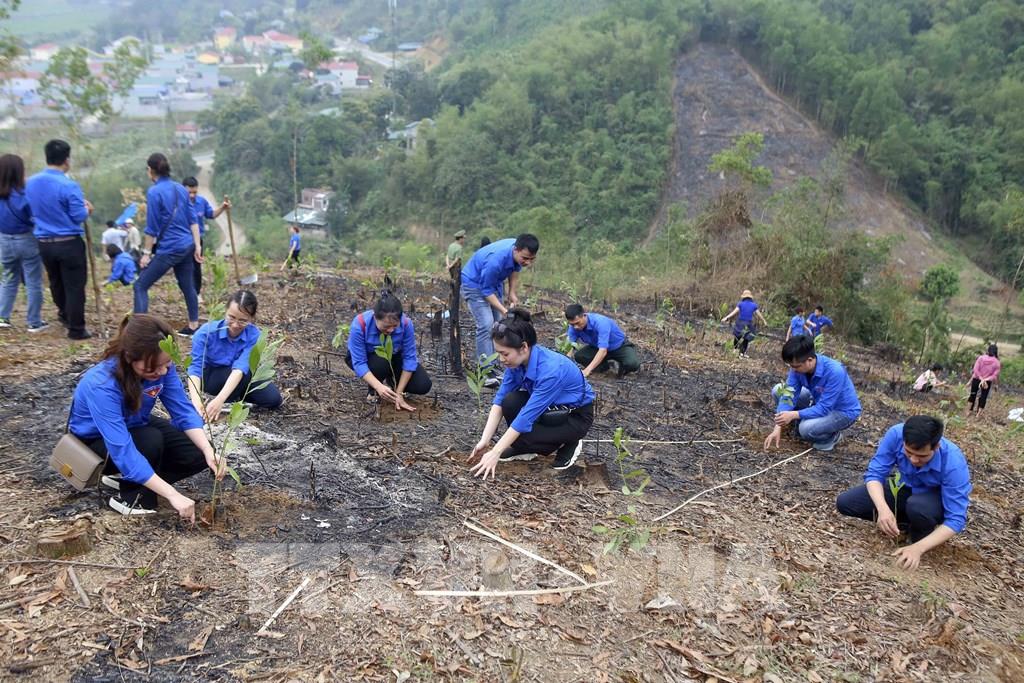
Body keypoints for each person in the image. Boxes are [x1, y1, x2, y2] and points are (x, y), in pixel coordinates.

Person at [68, 313, 222, 520]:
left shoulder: (162, 367)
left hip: (135, 423)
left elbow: (182, 411)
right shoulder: (102, 385)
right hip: (96, 443)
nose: (161, 371)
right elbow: (121, 448)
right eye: (153, 367)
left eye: (166, 364)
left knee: (196, 452)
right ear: (130, 357)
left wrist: (208, 449)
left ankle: (131, 480)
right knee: (150, 440)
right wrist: (172, 494)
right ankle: (131, 498)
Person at [469, 309, 595, 477]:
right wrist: (485, 441)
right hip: (549, 410)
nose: (501, 359)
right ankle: (526, 447)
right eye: (498, 353)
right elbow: (499, 401)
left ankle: (570, 442)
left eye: (504, 354)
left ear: (524, 347)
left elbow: (526, 417)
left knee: (525, 433)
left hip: (574, 417)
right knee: (510, 402)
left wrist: (496, 452)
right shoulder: (517, 363)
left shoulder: (551, 371)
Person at [836, 415, 971, 570]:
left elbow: (955, 519)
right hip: (905, 487)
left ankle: (920, 534)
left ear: (936, 447)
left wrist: (917, 549)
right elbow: (875, 474)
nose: (913, 460)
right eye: (908, 452)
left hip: (932, 501)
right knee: (846, 503)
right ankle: (903, 522)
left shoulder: (953, 464)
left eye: (922, 456)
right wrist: (883, 510)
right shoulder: (896, 434)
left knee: (918, 507)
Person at [26, 139, 93, 339]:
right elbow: (77, 216)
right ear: (66, 160)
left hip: (44, 243)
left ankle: (64, 314)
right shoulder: (68, 184)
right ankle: (76, 329)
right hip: (68, 242)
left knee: (56, 282)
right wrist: (87, 209)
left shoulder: (31, 183)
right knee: (74, 285)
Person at [187, 290, 283, 421]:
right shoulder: (206, 332)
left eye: (243, 321)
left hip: (240, 375)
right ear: (225, 312)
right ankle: (231, 397)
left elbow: (240, 368)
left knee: (272, 399)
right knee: (239, 376)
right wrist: (196, 401)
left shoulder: (254, 335)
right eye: (231, 317)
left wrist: (219, 400)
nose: (235, 325)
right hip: (213, 377)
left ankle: (233, 398)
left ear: (251, 319)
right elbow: (195, 369)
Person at [133, 152, 201, 337]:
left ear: (151, 170)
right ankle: (193, 326)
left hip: (170, 249)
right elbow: (192, 218)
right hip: (187, 245)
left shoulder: (154, 192)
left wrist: (146, 254)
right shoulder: (180, 188)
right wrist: (197, 245)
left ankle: (139, 329)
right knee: (187, 285)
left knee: (140, 285)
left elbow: (152, 228)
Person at [461, 233, 539, 386]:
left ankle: (493, 364)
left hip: (493, 283)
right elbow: (485, 291)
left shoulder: (517, 253)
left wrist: (512, 292)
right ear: (516, 250)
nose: (528, 263)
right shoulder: (495, 261)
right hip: (474, 284)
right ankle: (483, 370)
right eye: (525, 258)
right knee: (486, 324)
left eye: (531, 259)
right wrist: (504, 310)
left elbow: (515, 269)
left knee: (498, 326)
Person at [765, 334, 861, 451]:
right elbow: (789, 394)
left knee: (805, 429)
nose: (793, 370)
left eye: (796, 366)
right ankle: (798, 426)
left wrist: (793, 414)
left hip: (842, 412)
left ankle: (831, 437)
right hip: (818, 399)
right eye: (791, 366)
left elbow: (824, 408)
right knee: (778, 390)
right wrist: (778, 426)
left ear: (810, 360)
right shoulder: (797, 367)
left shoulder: (835, 371)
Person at [345, 290, 432, 411]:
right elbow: (359, 363)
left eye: (395, 326)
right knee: (381, 363)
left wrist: (399, 393)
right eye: (386, 326)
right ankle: (373, 392)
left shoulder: (406, 324)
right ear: (375, 317)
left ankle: (393, 384)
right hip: (370, 359)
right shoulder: (360, 325)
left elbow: (409, 358)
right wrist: (379, 387)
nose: (391, 330)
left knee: (423, 385)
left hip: (394, 357)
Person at [0, 153, 48, 332]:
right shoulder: (24, 195)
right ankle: (34, 322)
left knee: (9, 278)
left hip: (4, 240)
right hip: (26, 240)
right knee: (33, 280)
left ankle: (3, 317)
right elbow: (35, 217)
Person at [182, 177, 229, 298]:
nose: (192, 195)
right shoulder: (178, 204)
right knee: (184, 268)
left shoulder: (201, 202)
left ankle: (196, 293)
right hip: (181, 241)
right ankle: (187, 292)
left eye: (194, 192)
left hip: (197, 241)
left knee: (196, 267)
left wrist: (222, 207)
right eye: (189, 192)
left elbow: (212, 214)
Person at [564, 303, 640, 378]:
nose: (576, 327)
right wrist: (565, 365)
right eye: (572, 324)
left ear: (584, 315)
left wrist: (587, 370)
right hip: (597, 347)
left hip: (618, 347)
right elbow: (570, 346)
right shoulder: (573, 327)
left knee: (632, 364)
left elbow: (603, 350)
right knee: (579, 356)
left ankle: (621, 366)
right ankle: (606, 367)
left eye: (577, 323)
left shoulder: (600, 322)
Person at [721, 289, 767, 357]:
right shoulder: (754, 305)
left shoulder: (740, 304)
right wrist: (764, 321)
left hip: (740, 322)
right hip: (749, 323)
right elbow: (758, 314)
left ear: (744, 297)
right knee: (747, 338)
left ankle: (735, 350)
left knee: (737, 336)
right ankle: (742, 352)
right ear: (750, 297)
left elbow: (734, 312)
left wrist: (726, 318)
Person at [967, 344, 1001, 414]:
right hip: (987, 382)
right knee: (983, 397)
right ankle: (978, 414)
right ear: (996, 352)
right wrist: (985, 379)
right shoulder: (997, 362)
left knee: (973, 394)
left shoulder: (981, 358)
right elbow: (995, 375)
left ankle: (968, 411)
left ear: (988, 350)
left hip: (976, 379)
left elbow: (975, 369)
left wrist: (981, 378)